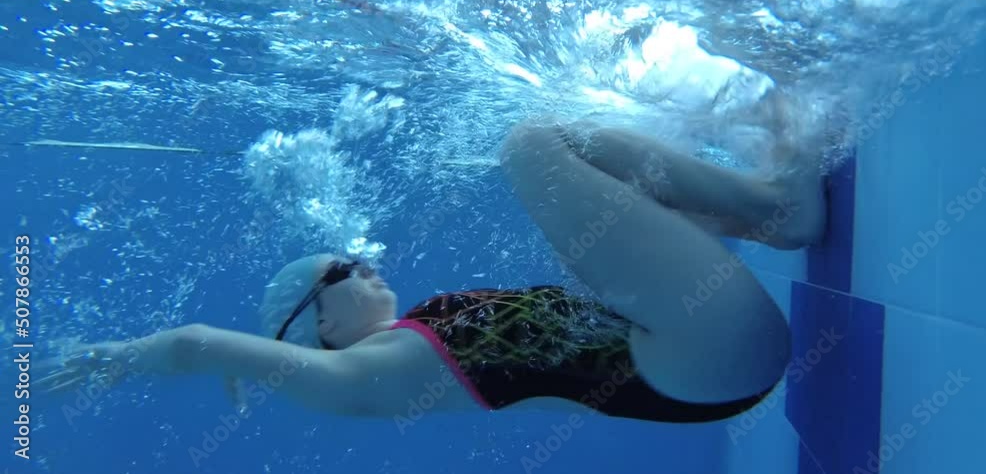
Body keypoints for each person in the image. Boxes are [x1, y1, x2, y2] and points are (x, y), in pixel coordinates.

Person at [39, 120, 826, 423]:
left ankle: (747, 209)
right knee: (530, 147)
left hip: (697, 348)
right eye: (346, 267)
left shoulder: (424, 326)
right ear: (319, 325)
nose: (369, 262)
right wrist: (116, 357)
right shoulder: (366, 376)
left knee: (566, 159)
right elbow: (201, 342)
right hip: (702, 363)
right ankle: (772, 211)